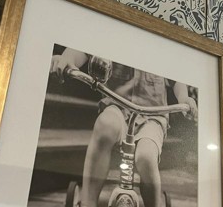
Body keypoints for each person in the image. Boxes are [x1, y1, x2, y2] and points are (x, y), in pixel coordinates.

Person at [51, 47, 198, 207]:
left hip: (152, 115)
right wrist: (67, 58)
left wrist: (184, 98)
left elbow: (176, 79)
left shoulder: (161, 48)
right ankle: (88, 202)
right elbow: (84, 50)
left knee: (146, 157)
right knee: (105, 125)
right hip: (117, 107)